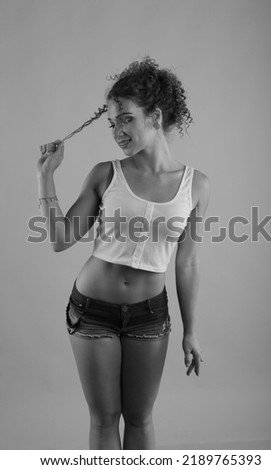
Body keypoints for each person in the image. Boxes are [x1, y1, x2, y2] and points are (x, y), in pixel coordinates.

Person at [36, 57, 210, 450]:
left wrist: (191, 331)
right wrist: (45, 177)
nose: (117, 131)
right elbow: (61, 238)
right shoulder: (105, 174)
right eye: (112, 123)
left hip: (150, 315)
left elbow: (187, 262)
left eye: (126, 119)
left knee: (140, 419)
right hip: (92, 310)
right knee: (103, 422)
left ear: (156, 115)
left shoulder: (196, 186)